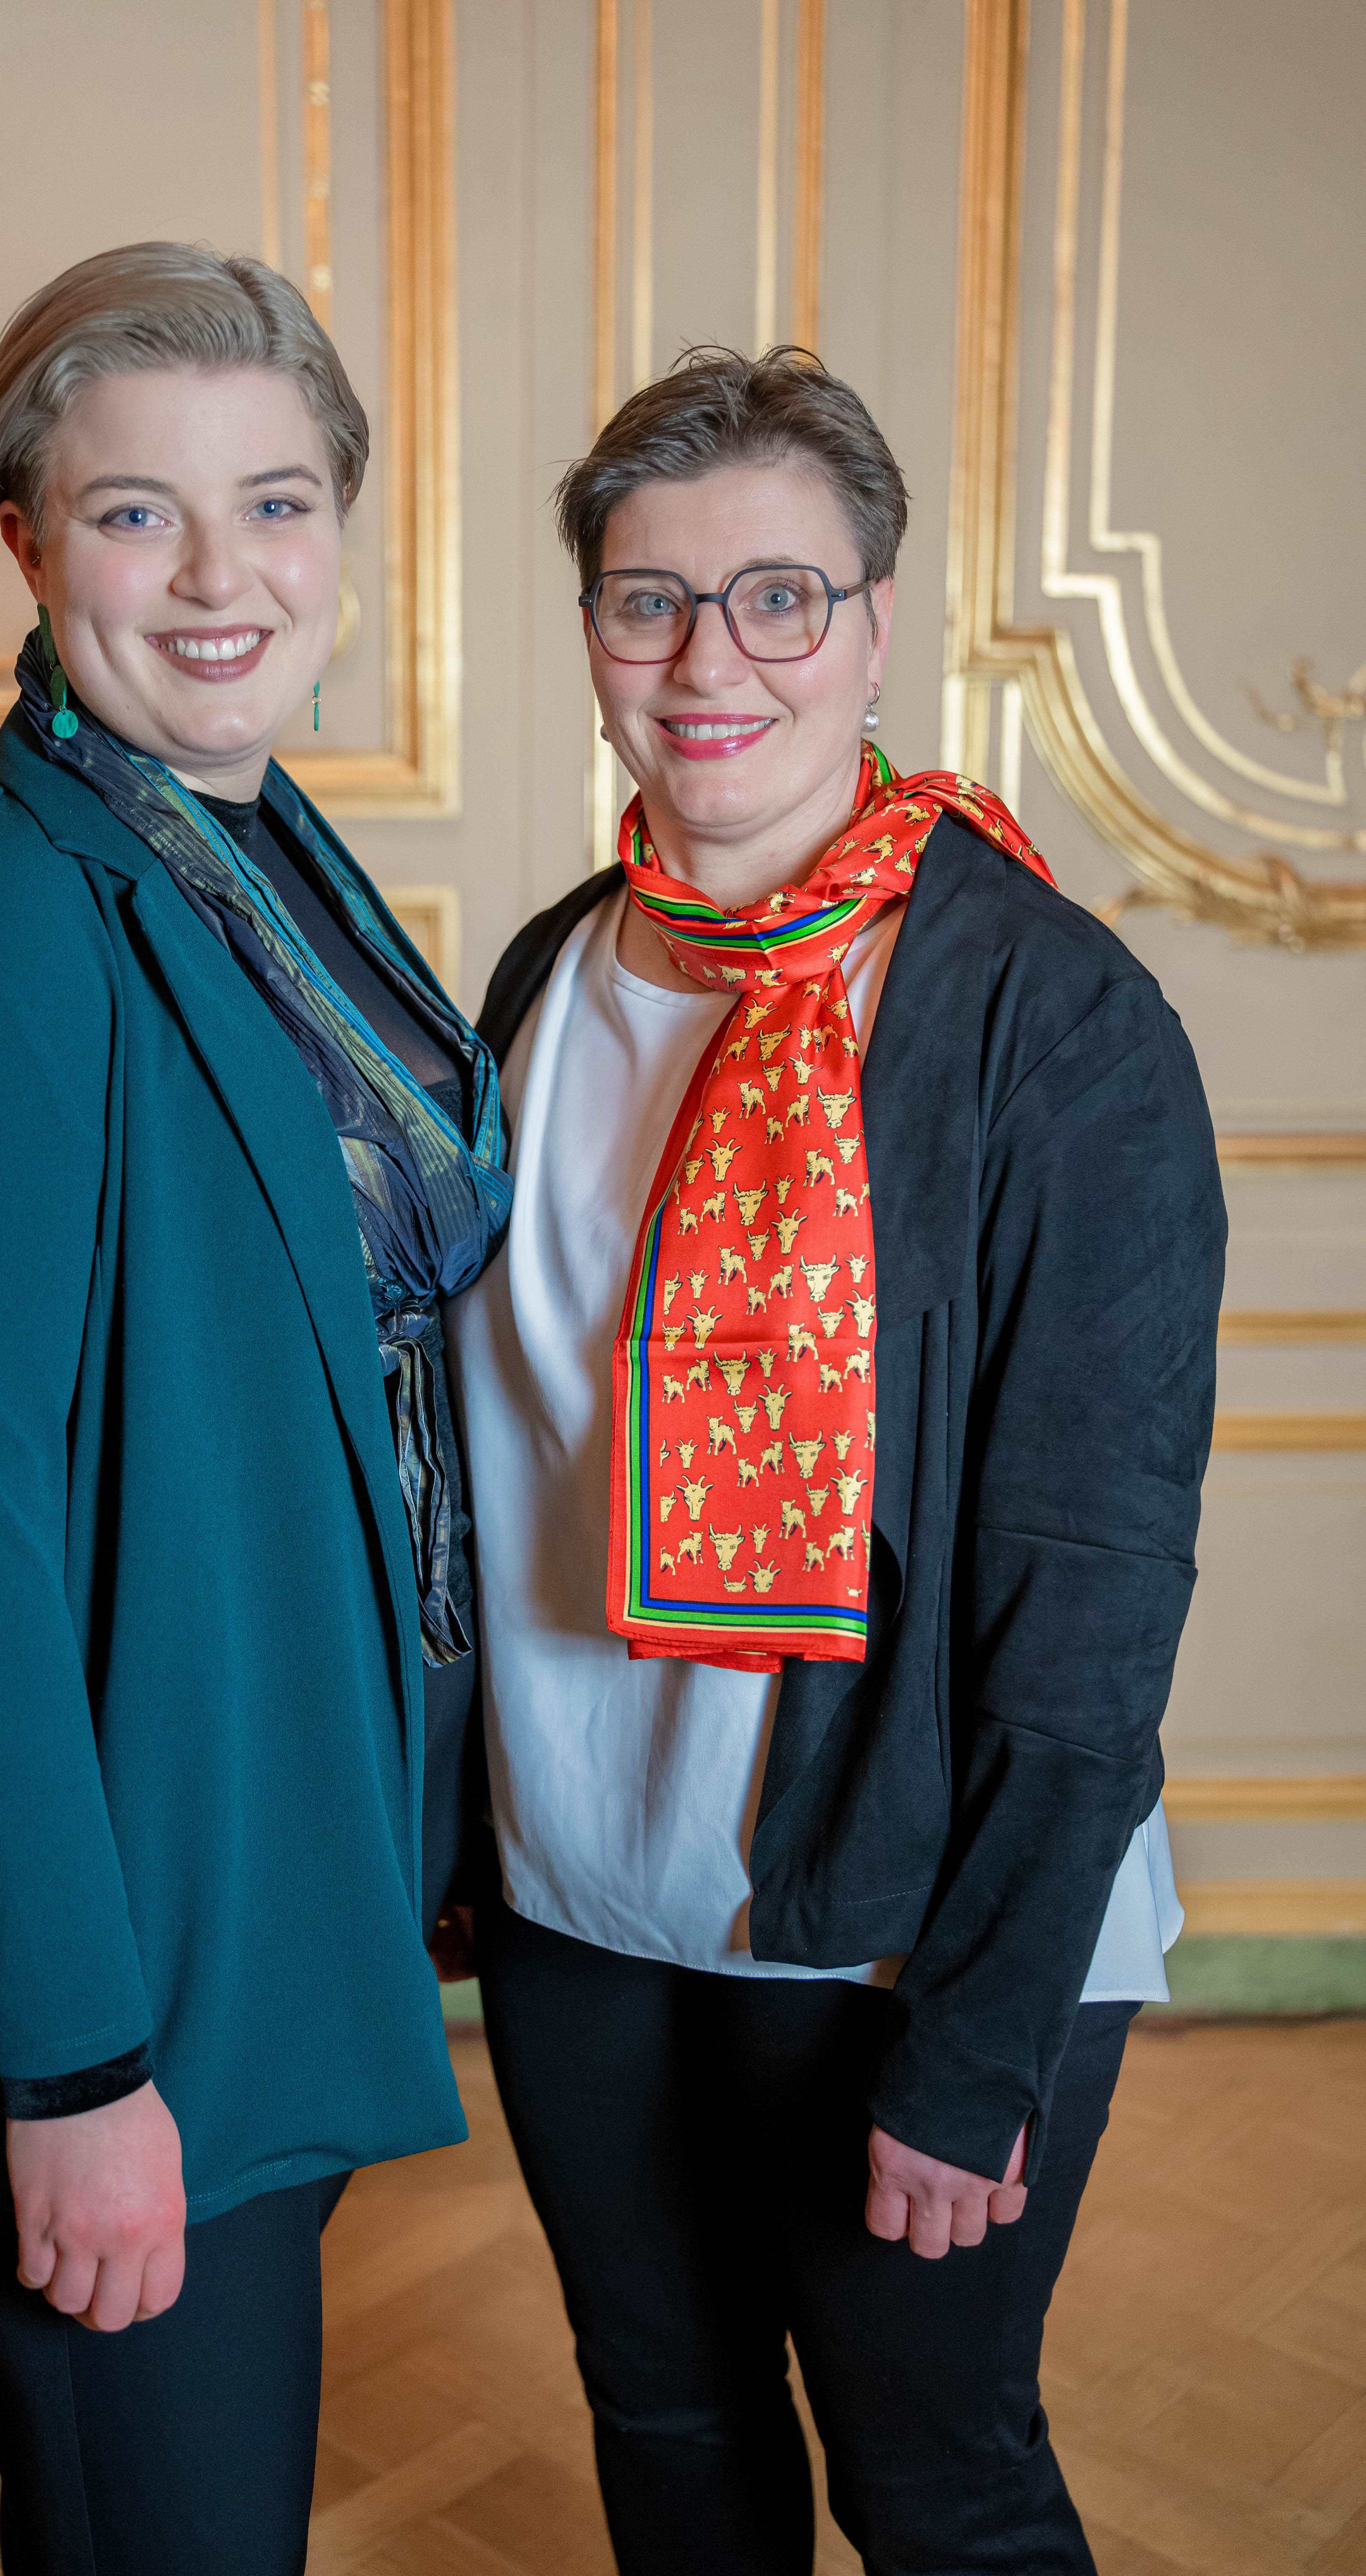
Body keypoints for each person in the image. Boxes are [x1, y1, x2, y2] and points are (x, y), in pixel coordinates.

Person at [445, 346, 1224, 2576]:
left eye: (778, 596)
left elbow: (1093, 1583)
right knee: (669, 2427)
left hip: (903, 1922)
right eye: (650, 600)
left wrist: (980, 2038)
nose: (712, 663)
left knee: (937, 2483)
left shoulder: (1049, 1019)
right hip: (584, 1898)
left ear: (877, 624)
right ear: (592, 633)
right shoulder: (547, 978)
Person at [0, 243, 508, 2576]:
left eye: (275, 505)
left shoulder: (250, 859)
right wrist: (79, 2065)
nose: (221, 577)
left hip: (279, 1848)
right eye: (136, 513)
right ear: (26, 538)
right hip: (127, 1935)